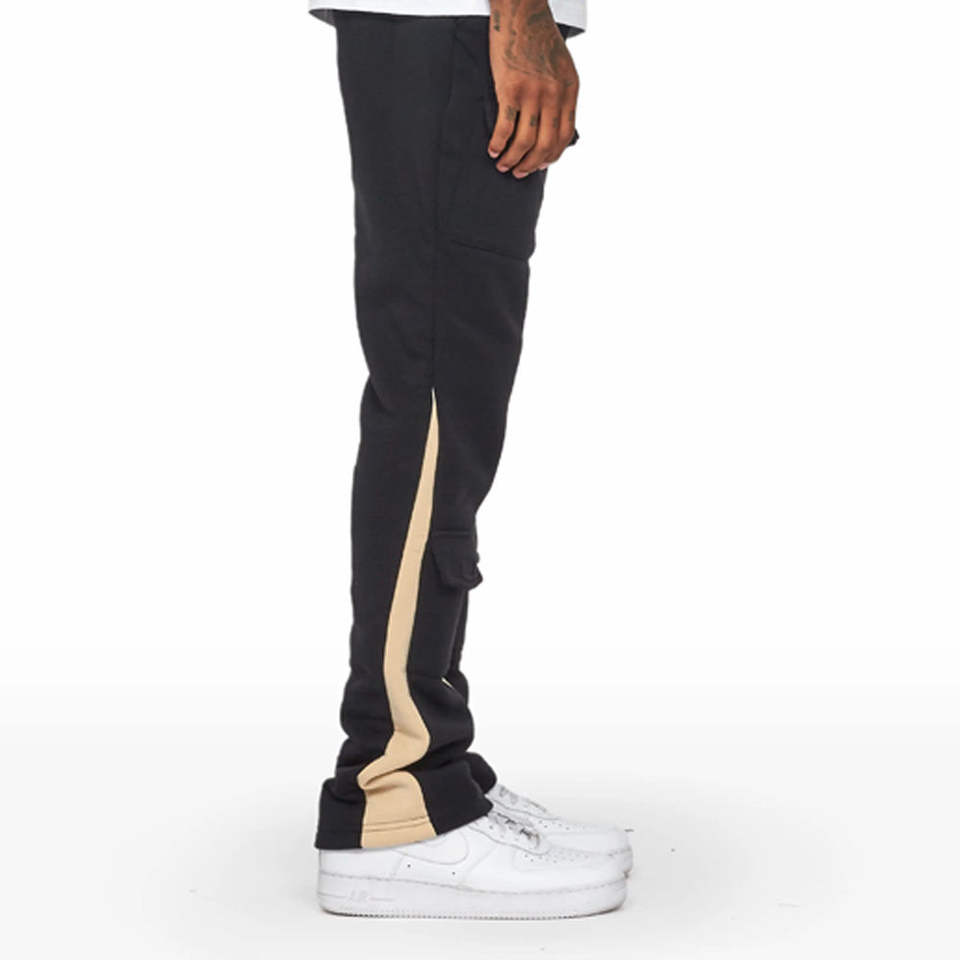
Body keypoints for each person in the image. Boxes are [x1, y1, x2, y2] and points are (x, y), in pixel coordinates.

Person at [310, 0, 631, 919]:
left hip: (453, 25)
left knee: (448, 395)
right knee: (435, 397)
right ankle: (397, 795)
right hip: (462, 22)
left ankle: (438, 768)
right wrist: (522, 14)